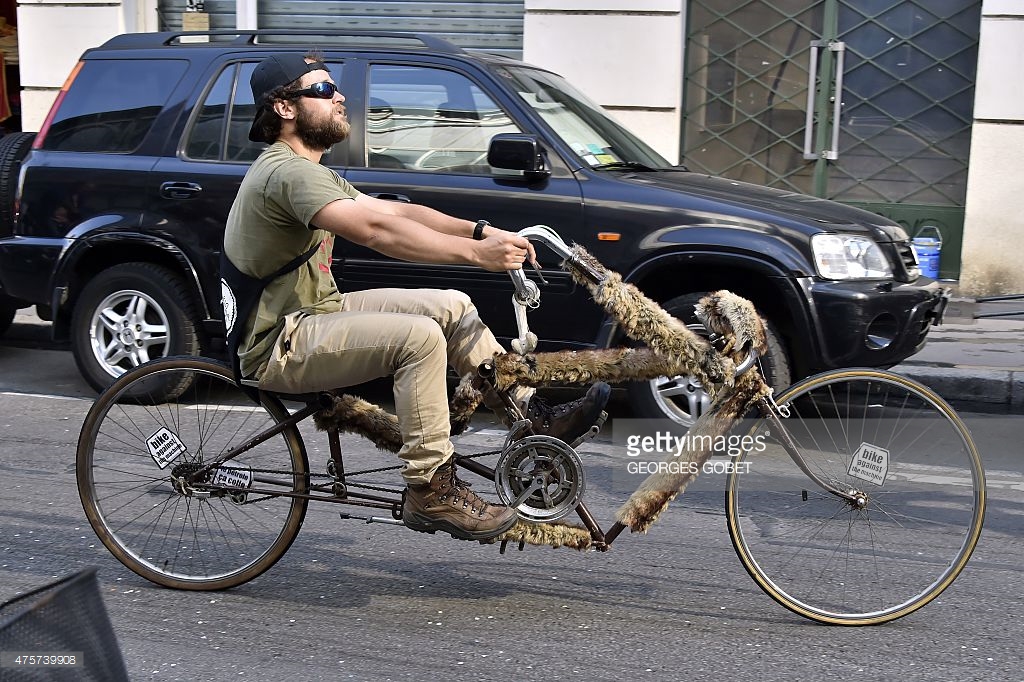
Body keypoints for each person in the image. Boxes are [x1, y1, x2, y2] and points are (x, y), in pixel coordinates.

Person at [222, 52, 610, 541]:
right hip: (280, 342)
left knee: (451, 305)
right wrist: (478, 256)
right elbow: (377, 231)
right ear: (284, 108)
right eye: (323, 89)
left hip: (315, 314)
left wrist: (482, 231)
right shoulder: (287, 173)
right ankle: (430, 489)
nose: (340, 96)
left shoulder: (308, 170)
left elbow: (396, 212)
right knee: (420, 337)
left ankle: (531, 419)